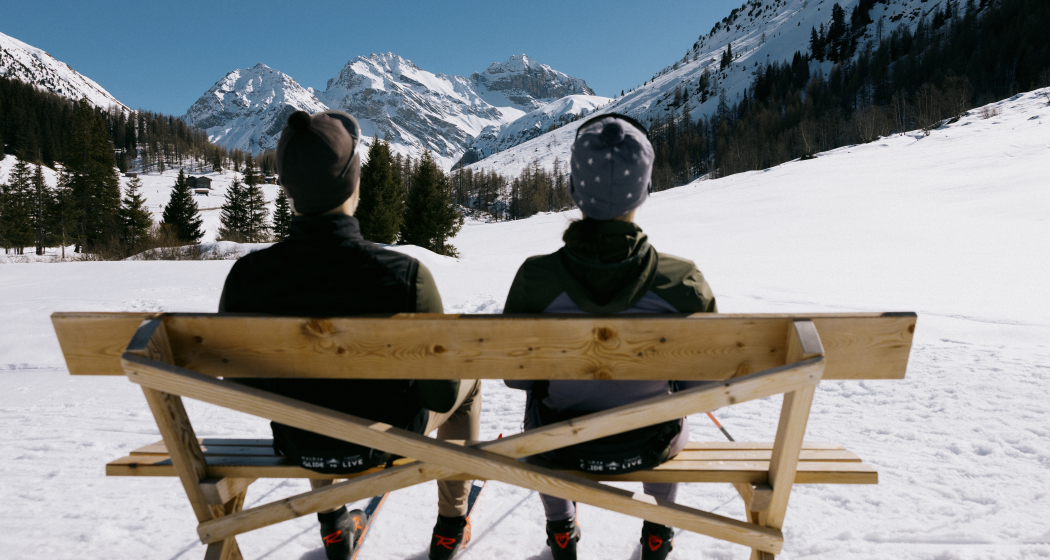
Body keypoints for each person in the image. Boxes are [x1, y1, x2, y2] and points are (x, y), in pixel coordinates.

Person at [217, 110, 481, 560]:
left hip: (299, 440)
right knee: (469, 384)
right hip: (388, 440)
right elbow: (440, 396)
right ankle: (452, 522)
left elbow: (241, 381)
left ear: (288, 188)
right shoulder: (404, 277)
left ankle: (332, 520)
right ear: (354, 182)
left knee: (307, 401)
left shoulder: (247, 277)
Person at [502, 114, 717, 560]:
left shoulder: (536, 278)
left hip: (559, 443)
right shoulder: (683, 281)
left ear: (575, 189)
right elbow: (702, 389)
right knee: (673, 407)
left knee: (538, 403)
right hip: (650, 445)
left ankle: (561, 527)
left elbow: (517, 378)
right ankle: (660, 527)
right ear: (645, 189)